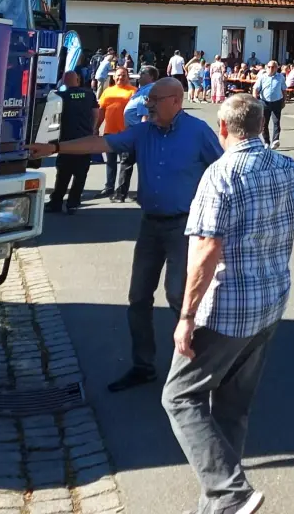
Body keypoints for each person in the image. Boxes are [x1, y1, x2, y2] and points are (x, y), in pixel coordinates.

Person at [163, 94, 294, 514]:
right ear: (259, 125)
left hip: (227, 310)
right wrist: (286, 230)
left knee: (179, 397)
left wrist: (185, 317)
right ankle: (220, 506)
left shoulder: (220, 174)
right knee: (233, 408)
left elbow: (206, 249)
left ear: (223, 129)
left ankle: (229, 493)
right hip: (270, 303)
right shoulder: (283, 164)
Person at [30, 77, 224, 393]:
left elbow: (222, 170)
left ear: (175, 100)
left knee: (178, 296)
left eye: (155, 100)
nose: (148, 105)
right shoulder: (144, 131)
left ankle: (199, 366)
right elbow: (102, 142)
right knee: (138, 298)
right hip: (150, 224)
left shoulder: (198, 132)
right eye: (148, 99)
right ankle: (143, 365)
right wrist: (54, 148)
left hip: (184, 227)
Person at [45, 72, 98, 215]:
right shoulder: (89, 94)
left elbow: (52, 118)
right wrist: (92, 129)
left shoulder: (60, 96)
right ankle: (73, 203)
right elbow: (95, 113)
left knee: (63, 174)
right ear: (78, 80)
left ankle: (56, 202)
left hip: (66, 141)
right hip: (84, 140)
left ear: (63, 82)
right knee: (80, 174)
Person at [115, 65, 161, 202]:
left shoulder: (149, 91)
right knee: (133, 163)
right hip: (134, 131)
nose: (139, 76)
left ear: (151, 77)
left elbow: (145, 116)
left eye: (142, 74)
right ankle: (135, 193)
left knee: (128, 163)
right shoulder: (142, 90)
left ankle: (122, 194)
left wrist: (140, 136)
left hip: (137, 133)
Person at [98, 68, 136, 196]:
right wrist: (96, 126)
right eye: (118, 76)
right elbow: (101, 111)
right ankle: (109, 187)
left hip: (126, 133)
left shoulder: (133, 92)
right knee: (110, 162)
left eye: (124, 75)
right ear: (114, 77)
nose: (121, 78)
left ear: (128, 77)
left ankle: (121, 191)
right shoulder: (108, 91)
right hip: (110, 132)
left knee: (125, 164)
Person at [254, 60, 286, 149]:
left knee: (276, 122)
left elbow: (284, 89)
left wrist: (284, 100)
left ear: (276, 68)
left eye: (273, 67)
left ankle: (275, 140)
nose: (271, 69)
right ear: (266, 67)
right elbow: (255, 89)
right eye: (269, 67)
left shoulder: (280, 77)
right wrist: (255, 100)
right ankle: (266, 142)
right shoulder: (262, 77)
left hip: (277, 101)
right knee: (264, 123)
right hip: (264, 102)